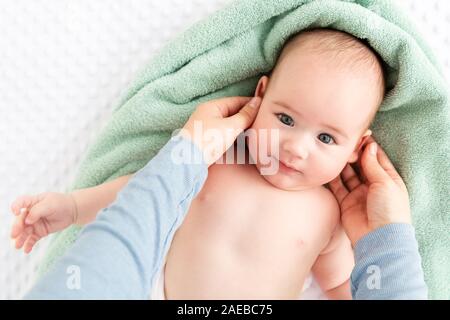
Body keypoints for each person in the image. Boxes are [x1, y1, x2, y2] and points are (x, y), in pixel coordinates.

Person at [14, 29, 427, 300]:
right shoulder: (215, 159)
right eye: (285, 119)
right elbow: (141, 198)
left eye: (326, 138)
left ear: (357, 148)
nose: (296, 149)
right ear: (260, 95)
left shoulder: (332, 215)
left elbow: (338, 283)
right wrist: (70, 208)